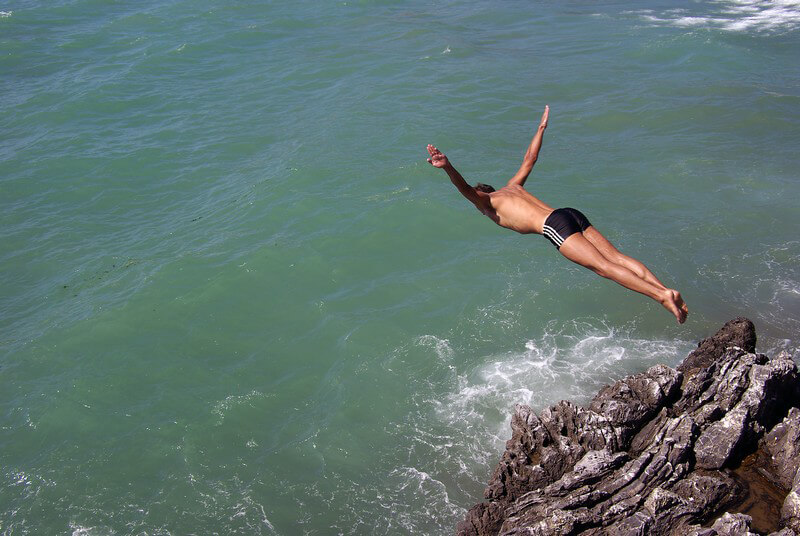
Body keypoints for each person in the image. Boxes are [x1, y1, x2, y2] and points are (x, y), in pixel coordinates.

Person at [426, 105, 688, 324]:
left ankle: (661, 297)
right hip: (568, 213)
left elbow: (463, 189)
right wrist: (541, 129)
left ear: (480, 195)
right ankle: (665, 290)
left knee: (605, 268)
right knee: (616, 257)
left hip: (553, 225)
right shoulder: (513, 186)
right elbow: (530, 157)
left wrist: (447, 167)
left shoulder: (488, 203)